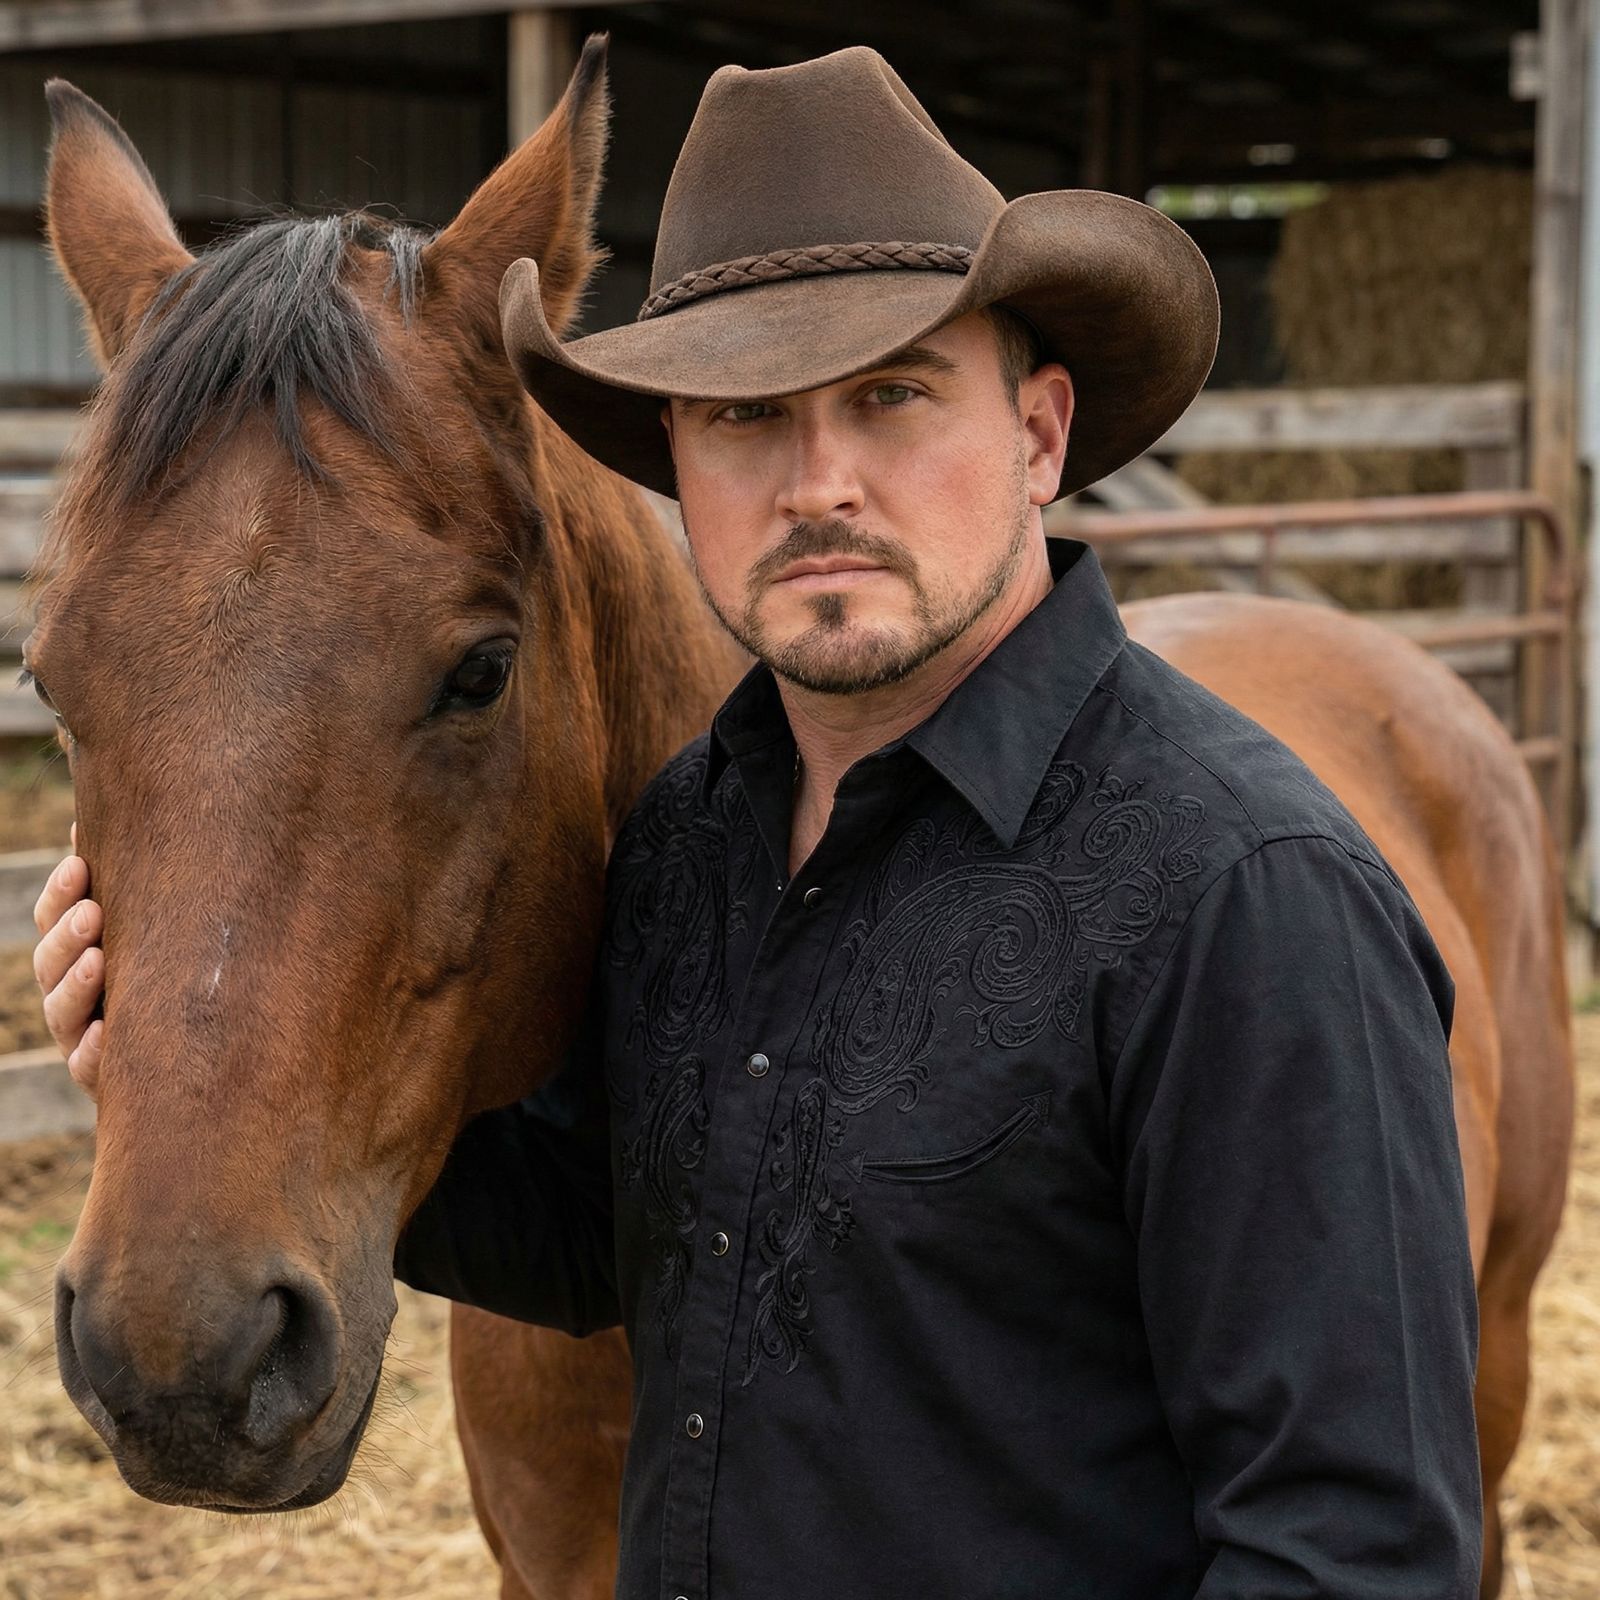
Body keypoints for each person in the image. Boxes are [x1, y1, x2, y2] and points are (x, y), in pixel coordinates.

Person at [33, 44, 1480, 1600]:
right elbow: (621, 1239)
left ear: (1041, 434)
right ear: (676, 461)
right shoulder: (691, 843)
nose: (818, 483)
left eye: (893, 394)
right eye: (744, 411)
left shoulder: (1244, 893)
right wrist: (201, 1075)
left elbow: (1350, 1547)